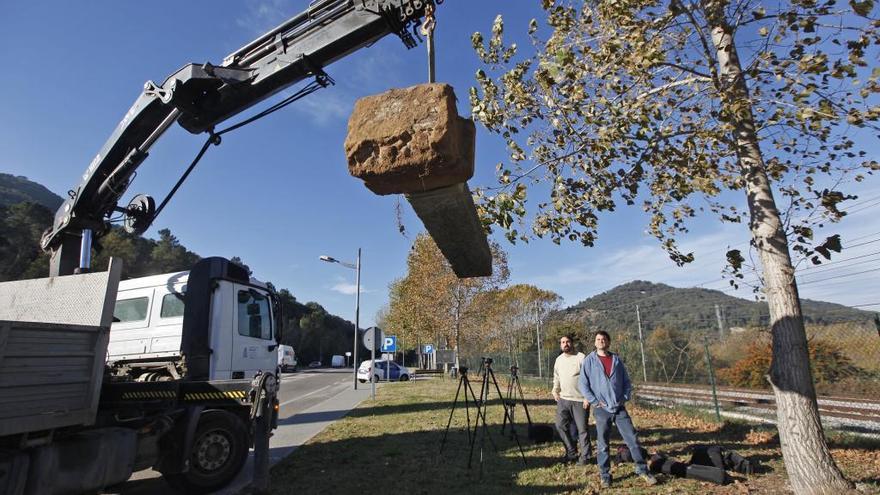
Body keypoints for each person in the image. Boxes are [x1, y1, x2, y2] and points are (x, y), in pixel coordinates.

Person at [579, 330, 657, 488]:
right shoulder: (589, 361)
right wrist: (595, 401)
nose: (601, 341)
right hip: (601, 409)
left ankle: (642, 469)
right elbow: (583, 385)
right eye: (598, 339)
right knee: (603, 444)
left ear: (608, 342)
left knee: (633, 440)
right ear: (595, 343)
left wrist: (625, 397)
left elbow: (627, 382)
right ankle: (605, 475)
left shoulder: (616, 360)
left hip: (619, 408)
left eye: (604, 339)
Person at [552, 335, 592, 464]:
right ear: (560, 345)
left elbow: (589, 378)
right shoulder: (559, 360)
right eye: (563, 342)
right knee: (560, 426)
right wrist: (555, 390)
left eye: (567, 342)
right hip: (563, 399)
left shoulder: (581, 357)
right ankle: (571, 452)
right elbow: (556, 377)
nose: (565, 344)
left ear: (572, 343)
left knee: (582, 430)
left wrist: (587, 397)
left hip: (580, 400)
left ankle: (585, 457)